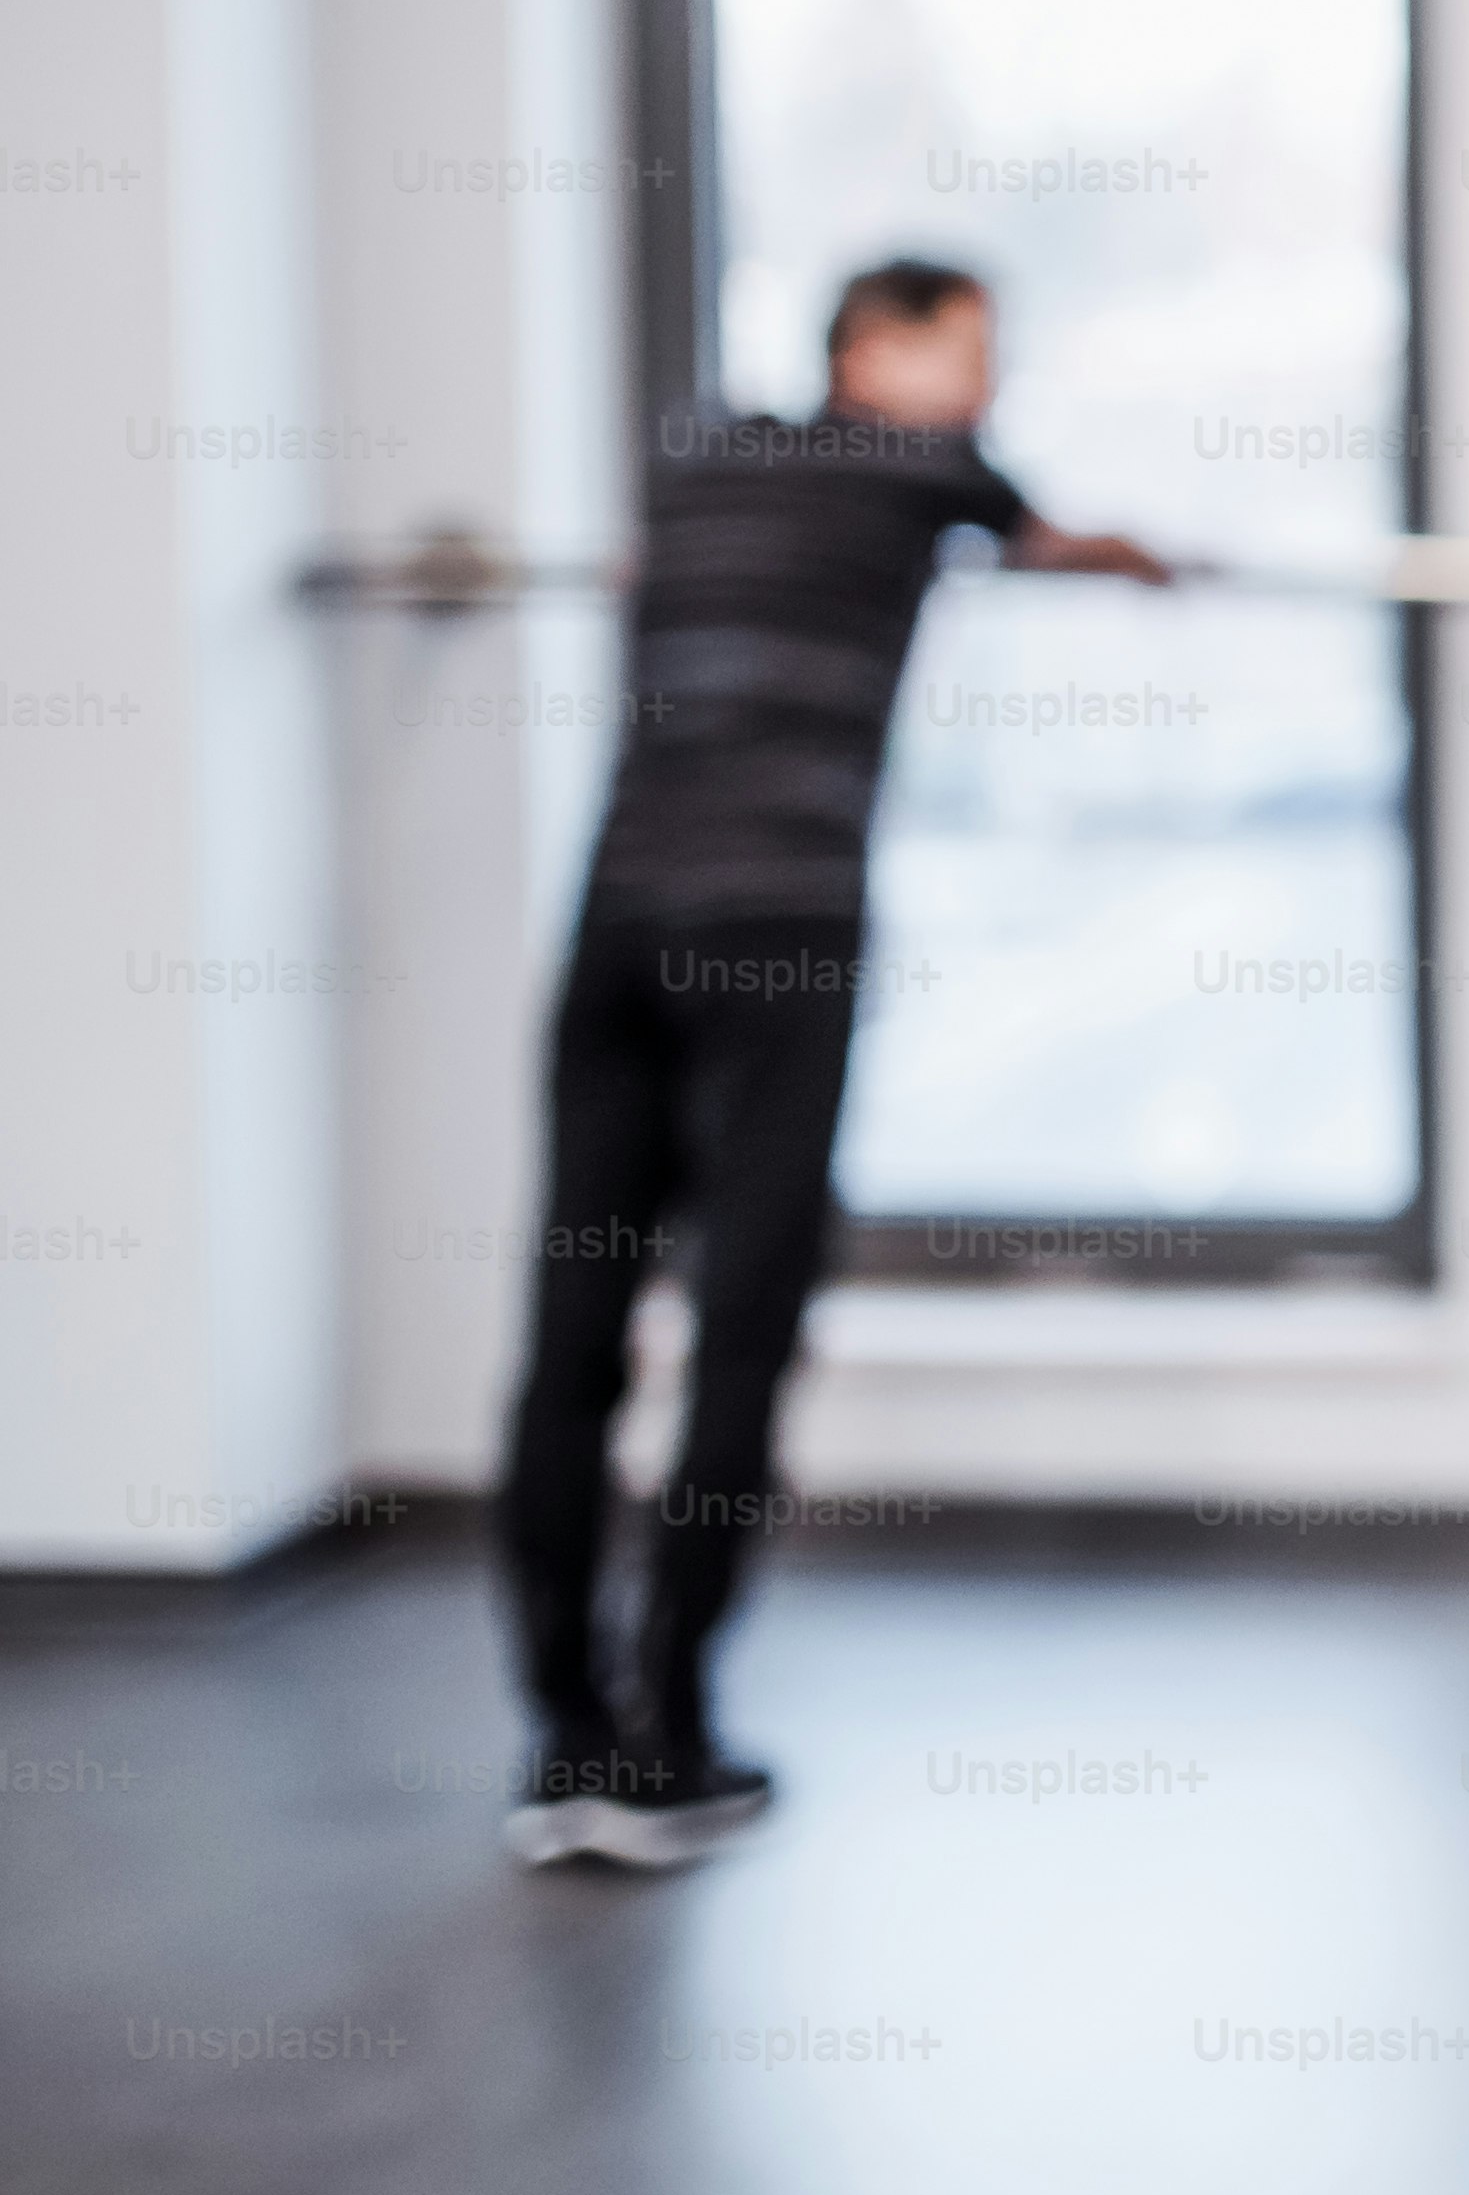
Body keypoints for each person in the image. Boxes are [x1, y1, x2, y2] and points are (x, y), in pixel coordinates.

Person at [496, 261, 1170, 1868]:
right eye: (966, 354)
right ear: (874, 350)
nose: (986, 390)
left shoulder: (702, 452)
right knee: (745, 1325)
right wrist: (1138, 560)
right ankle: (671, 1733)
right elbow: (1057, 541)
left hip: (617, 928)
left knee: (573, 1331)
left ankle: (561, 1746)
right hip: (778, 934)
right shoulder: (927, 465)